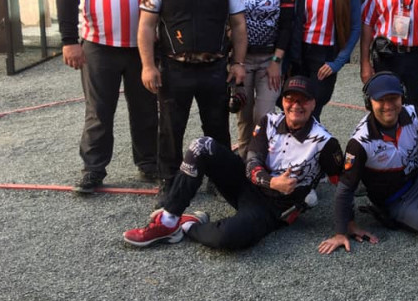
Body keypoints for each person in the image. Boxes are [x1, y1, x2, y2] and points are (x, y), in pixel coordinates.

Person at [123, 76, 345, 249]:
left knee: (228, 238)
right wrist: (272, 182)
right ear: (282, 101)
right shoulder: (269, 120)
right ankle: (169, 219)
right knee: (202, 145)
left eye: (302, 100)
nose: (295, 105)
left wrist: (345, 226)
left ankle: (188, 225)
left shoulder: (325, 142)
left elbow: (343, 182)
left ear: (314, 103)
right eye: (290, 99)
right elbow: (252, 163)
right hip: (249, 185)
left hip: (273, 207)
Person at [56, 0, 169, 194]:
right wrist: (69, 40)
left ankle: (148, 163)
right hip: (99, 45)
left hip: (143, 49)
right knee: (99, 111)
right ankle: (93, 169)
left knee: (146, 109)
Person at [137, 0, 247, 195]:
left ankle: (220, 179)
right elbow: (146, 26)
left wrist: (238, 63)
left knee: (217, 127)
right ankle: (169, 181)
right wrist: (148, 66)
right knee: (170, 128)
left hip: (214, 69)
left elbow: (238, 25)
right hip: (174, 69)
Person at [318, 72, 418, 255]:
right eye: (381, 100)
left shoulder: (414, 113)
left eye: (393, 98)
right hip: (398, 199)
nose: (388, 106)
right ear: (369, 102)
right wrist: (341, 232)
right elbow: (345, 189)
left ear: (402, 97)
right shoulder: (360, 142)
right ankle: (399, 214)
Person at [232, 0, 294, 158]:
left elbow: (286, 26)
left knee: (264, 115)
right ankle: (243, 162)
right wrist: (234, 62)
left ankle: (261, 160)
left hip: (270, 59)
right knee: (244, 115)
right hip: (242, 60)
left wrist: (277, 61)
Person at [290, 0, 361, 120]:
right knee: (295, 108)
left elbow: (356, 27)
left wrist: (338, 62)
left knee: (312, 109)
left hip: (325, 55)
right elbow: (297, 19)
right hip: (301, 54)